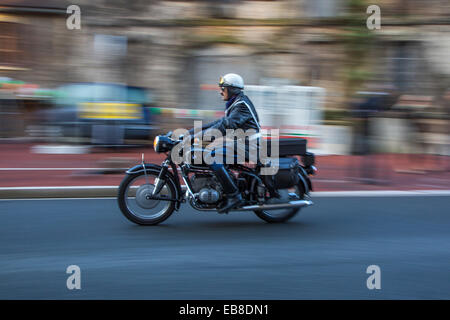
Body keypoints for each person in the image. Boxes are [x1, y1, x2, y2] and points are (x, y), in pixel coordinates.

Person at [188, 73, 261, 213]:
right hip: (241, 142)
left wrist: (199, 137)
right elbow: (219, 122)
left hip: (249, 145)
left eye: (223, 88)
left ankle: (234, 196)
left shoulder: (241, 105)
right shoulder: (236, 103)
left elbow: (227, 125)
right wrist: (192, 133)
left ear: (232, 89)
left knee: (212, 156)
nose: (220, 91)